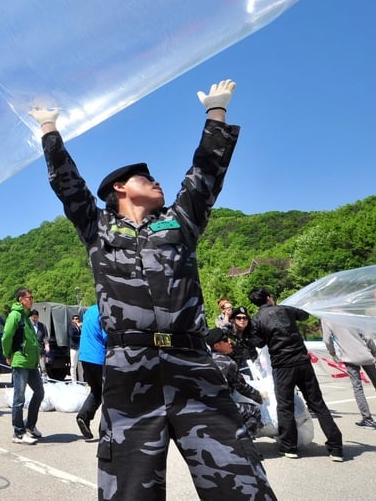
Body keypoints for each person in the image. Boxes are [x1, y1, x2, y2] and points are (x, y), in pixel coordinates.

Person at [30, 80, 275, 500]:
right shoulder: (98, 227)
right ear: (120, 190)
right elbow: (69, 187)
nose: (156, 180)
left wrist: (216, 114)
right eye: (146, 177)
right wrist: (50, 130)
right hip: (130, 366)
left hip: (192, 361)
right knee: (129, 486)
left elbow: (204, 179)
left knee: (240, 479)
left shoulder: (178, 224)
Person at [248, 287, 343, 461]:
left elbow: (259, 343)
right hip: (302, 361)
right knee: (318, 404)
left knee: (285, 406)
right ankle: (336, 447)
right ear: (269, 298)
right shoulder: (285, 309)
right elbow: (304, 315)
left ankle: (289, 447)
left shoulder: (256, 320)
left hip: (282, 366)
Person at [321, 319, 376, 429]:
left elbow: (327, 340)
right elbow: (368, 338)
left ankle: (368, 420)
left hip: (349, 357)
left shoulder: (327, 319)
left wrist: (332, 353)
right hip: (366, 355)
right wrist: (375, 353)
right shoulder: (350, 316)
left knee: (358, 388)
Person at [1, 287, 45, 445]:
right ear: (21, 299)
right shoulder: (15, 315)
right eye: (29, 297)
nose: (31, 300)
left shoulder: (26, 316)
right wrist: (7, 354)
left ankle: (30, 426)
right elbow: (6, 336)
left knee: (39, 392)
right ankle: (18, 433)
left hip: (31, 363)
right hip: (20, 361)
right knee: (19, 398)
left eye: (32, 297)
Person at [206, 327, 264, 438]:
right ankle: (245, 445)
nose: (230, 343)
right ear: (216, 346)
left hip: (202, 406)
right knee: (254, 411)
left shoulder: (204, 359)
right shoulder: (227, 363)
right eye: (225, 340)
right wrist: (260, 397)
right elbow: (242, 387)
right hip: (219, 408)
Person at [75, 303, 106, 439]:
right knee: (108, 394)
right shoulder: (105, 310)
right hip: (98, 357)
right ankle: (105, 430)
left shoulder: (89, 311)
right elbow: (106, 336)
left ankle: (83, 416)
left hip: (85, 356)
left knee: (96, 390)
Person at [227, 306, 259, 374]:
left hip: (255, 367)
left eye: (245, 318)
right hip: (238, 371)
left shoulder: (251, 333)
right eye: (239, 318)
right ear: (233, 319)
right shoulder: (227, 335)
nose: (242, 320)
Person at [30, 308, 50, 375]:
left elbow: (45, 337)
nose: (34, 319)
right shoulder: (29, 326)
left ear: (38, 317)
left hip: (40, 349)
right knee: (33, 366)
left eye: (36, 317)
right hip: (32, 349)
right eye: (33, 317)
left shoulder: (42, 326)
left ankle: (44, 379)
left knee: (42, 366)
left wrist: (46, 345)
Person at [68, 314, 83, 382]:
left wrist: (80, 327)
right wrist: (80, 336)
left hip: (79, 348)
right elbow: (72, 335)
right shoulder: (71, 327)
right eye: (75, 318)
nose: (76, 320)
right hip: (74, 348)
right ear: (72, 320)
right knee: (73, 365)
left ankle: (81, 380)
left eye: (77, 318)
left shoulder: (79, 327)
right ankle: (74, 381)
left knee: (80, 366)